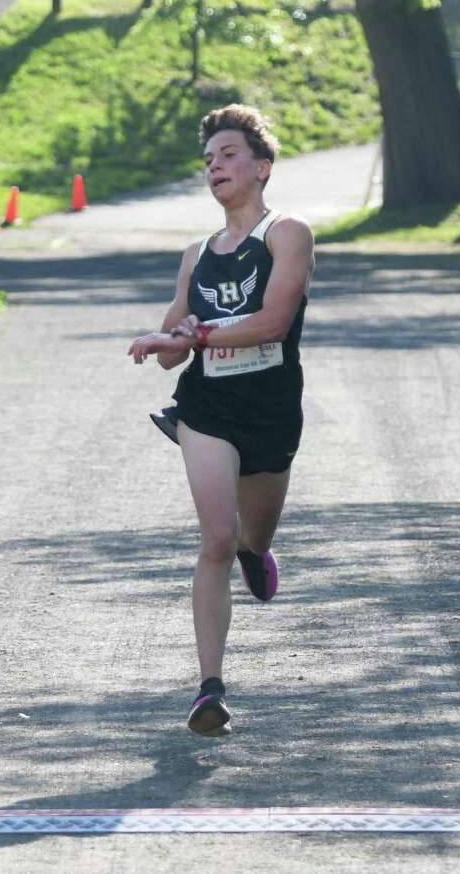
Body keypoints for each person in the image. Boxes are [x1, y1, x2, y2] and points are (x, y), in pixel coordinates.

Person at [128, 104, 314, 737]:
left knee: (248, 535)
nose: (215, 166)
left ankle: (253, 549)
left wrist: (200, 334)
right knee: (212, 535)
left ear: (262, 167)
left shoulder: (286, 233)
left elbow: (273, 322)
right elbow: (178, 346)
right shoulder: (197, 254)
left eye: (229, 155)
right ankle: (209, 690)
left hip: (270, 410)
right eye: (208, 160)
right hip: (207, 409)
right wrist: (165, 341)